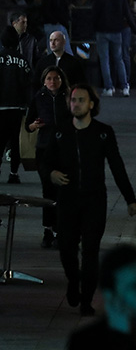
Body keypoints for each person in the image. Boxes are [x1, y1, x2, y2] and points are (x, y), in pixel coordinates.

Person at [49, 85, 136, 315]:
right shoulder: (60, 131)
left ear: (91, 104)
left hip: (94, 200)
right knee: (66, 247)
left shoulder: (103, 132)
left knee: (90, 251)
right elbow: (45, 160)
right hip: (67, 199)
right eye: (73, 100)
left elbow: (116, 165)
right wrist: (50, 173)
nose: (76, 104)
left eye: (81, 100)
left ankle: (86, 300)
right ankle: (73, 279)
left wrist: (130, 199)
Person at [25, 66, 70, 247]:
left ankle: (60, 230)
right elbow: (28, 123)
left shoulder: (68, 96)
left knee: (61, 190)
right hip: (44, 148)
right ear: (44, 81)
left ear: (61, 80)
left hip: (63, 149)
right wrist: (34, 126)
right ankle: (47, 230)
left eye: (56, 78)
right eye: (49, 78)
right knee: (47, 190)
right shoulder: (39, 97)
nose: (53, 82)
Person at [93, 0, 136, 97]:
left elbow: (95, 14)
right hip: (117, 31)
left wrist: (94, 28)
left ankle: (109, 87)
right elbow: (127, 14)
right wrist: (134, 28)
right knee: (119, 59)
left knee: (105, 60)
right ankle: (124, 86)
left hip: (102, 31)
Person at [0, 26, 32, 184]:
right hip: (17, 107)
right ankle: (13, 173)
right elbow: (27, 84)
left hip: (1, 107)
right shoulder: (22, 60)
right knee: (15, 141)